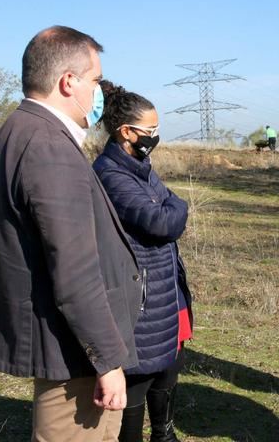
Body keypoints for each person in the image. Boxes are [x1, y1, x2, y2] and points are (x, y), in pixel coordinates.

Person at [0, 26, 142, 441]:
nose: (100, 90)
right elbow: (75, 272)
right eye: (96, 80)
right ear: (69, 82)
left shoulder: (19, 130)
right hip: (75, 359)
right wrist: (107, 361)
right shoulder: (48, 146)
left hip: (69, 346)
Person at [93, 81, 193, 442]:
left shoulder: (140, 164)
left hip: (165, 288)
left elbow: (170, 205)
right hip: (141, 296)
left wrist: (173, 206)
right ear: (126, 132)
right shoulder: (110, 173)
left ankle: (164, 435)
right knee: (138, 377)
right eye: (150, 131)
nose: (155, 136)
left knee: (169, 365)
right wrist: (176, 207)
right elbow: (164, 220)